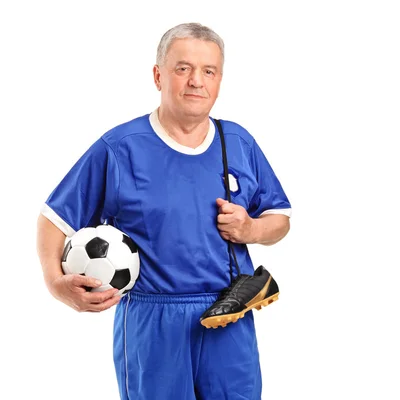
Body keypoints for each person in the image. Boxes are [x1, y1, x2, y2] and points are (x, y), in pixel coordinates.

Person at [36, 22, 292, 400]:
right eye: (183, 68)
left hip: (229, 315)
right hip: (152, 320)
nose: (196, 81)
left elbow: (280, 220)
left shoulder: (237, 142)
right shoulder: (120, 148)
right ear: (158, 76)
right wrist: (55, 283)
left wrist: (251, 230)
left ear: (220, 79)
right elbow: (53, 219)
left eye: (209, 71)